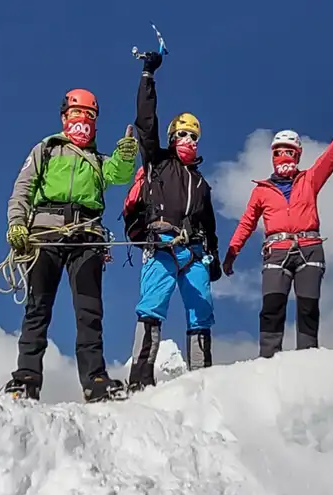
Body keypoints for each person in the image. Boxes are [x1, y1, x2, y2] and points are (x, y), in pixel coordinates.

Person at [2, 88, 138, 403]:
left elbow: (118, 174)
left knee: (89, 311)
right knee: (37, 308)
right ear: (64, 117)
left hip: (87, 235)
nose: (82, 121)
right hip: (45, 233)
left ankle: (95, 380)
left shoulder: (99, 161)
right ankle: (26, 378)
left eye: (89, 116)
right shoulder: (46, 150)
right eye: (77, 114)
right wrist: (17, 223)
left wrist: (126, 154)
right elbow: (23, 187)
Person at [222, 94, 333, 359]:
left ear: (297, 154)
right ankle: (268, 362)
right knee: (271, 307)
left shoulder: (309, 179)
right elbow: (247, 223)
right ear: (272, 156)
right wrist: (232, 253)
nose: (283, 156)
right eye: (278, 152)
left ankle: (307, 360)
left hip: (309, 248)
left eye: (289, 151)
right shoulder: (261, 191)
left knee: (308, 307)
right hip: (276, 250)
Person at [121, 50, 222, 393]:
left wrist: (216, 259)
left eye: (194, 137)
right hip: (160, 245)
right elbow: (145, 122)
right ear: (171, 138)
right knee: (151, 308)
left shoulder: (201, 183)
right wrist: (148, 76)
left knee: (201, 314)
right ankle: (140, 379)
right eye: (183, 135)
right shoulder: (157, 162)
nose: (189, 141)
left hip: (194, 251)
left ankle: (202, 381)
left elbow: (209, 224)